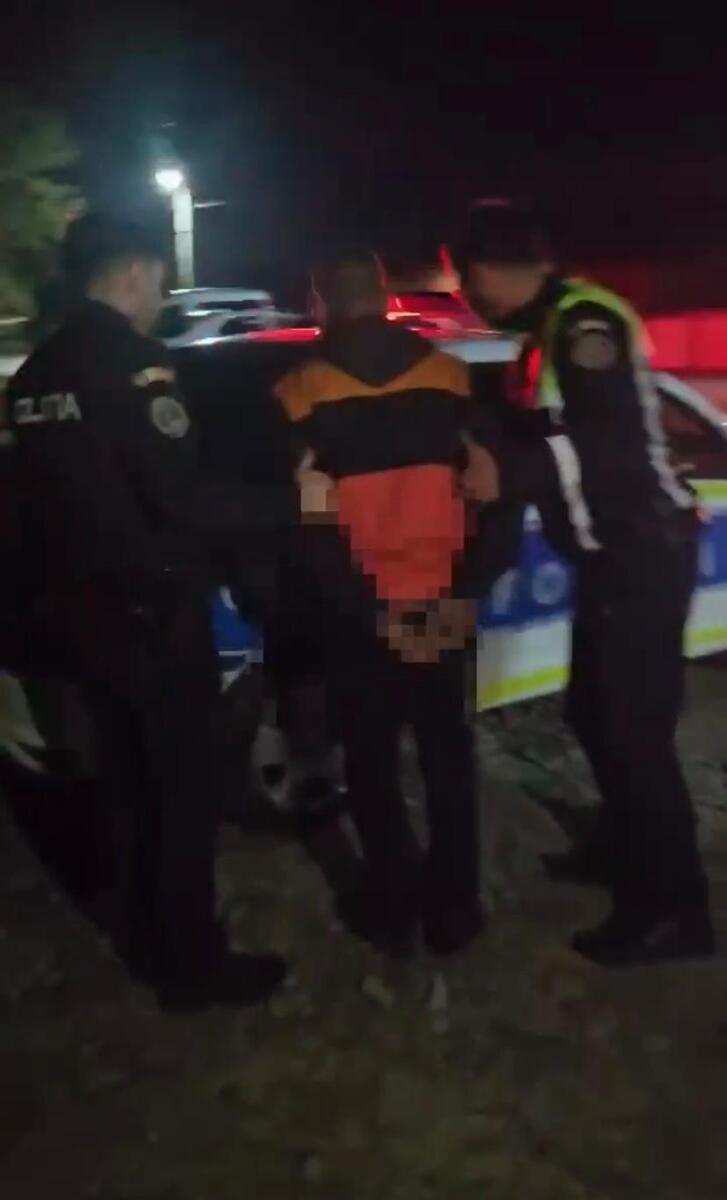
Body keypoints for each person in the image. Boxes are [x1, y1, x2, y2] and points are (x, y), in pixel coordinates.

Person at [7, 213, 286, 1009]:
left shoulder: (36, 374)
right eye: (159, 281)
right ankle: (192, 966)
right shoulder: (134, 367)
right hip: (154, 620)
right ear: (132, 272)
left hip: (83, 618)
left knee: (127, 789)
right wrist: (296, 502)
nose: (160, 298)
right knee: (183, 794)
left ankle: (145, 933)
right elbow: (182, 500)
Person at [454, 200, 713, 966]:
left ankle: (674, 911)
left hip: (641, 552)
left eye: (469, 280)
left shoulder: (582, 323)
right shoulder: (546, 329)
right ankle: (626, 850)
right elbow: (549, 428)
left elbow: (601, 439)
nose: (469, 296)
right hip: (615, 556)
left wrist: (504, 471)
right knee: (595, 713)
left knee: (633, 734)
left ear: (493, 269)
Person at [275, 250, 500, 957]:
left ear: (320, 301)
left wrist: (361, 609)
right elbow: (493, 493)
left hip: (362, 614)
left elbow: (309, 523)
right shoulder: (450, 376)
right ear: (383, 295)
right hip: (442, 601)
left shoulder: (297, 391)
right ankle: (456, 907)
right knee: (446, 756)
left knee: (371, 765)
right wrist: (467, 589)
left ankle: (395, 909)